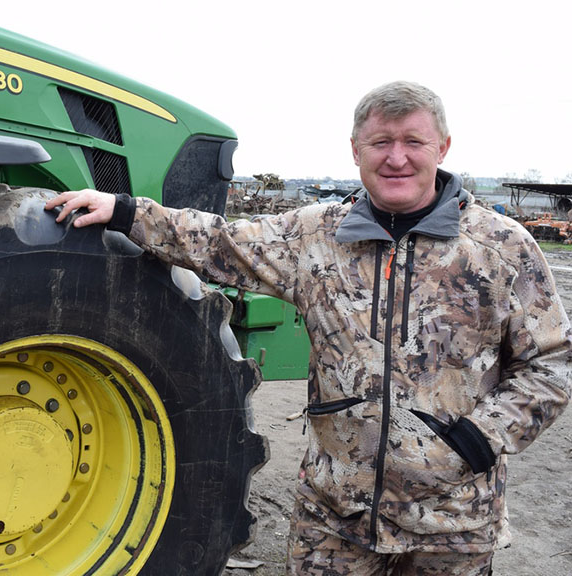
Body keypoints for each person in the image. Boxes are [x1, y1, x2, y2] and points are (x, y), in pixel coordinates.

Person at [44, 81, 572, 575]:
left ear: (444, 147)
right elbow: (222, 242)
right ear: (355, 150)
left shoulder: (502, 248)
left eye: (414, 141)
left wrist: (479, 440)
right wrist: (124, 209)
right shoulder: (316, 235)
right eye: (380, 142)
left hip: (452, 524)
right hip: (334, 515)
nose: (396, 157)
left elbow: (550, 364)